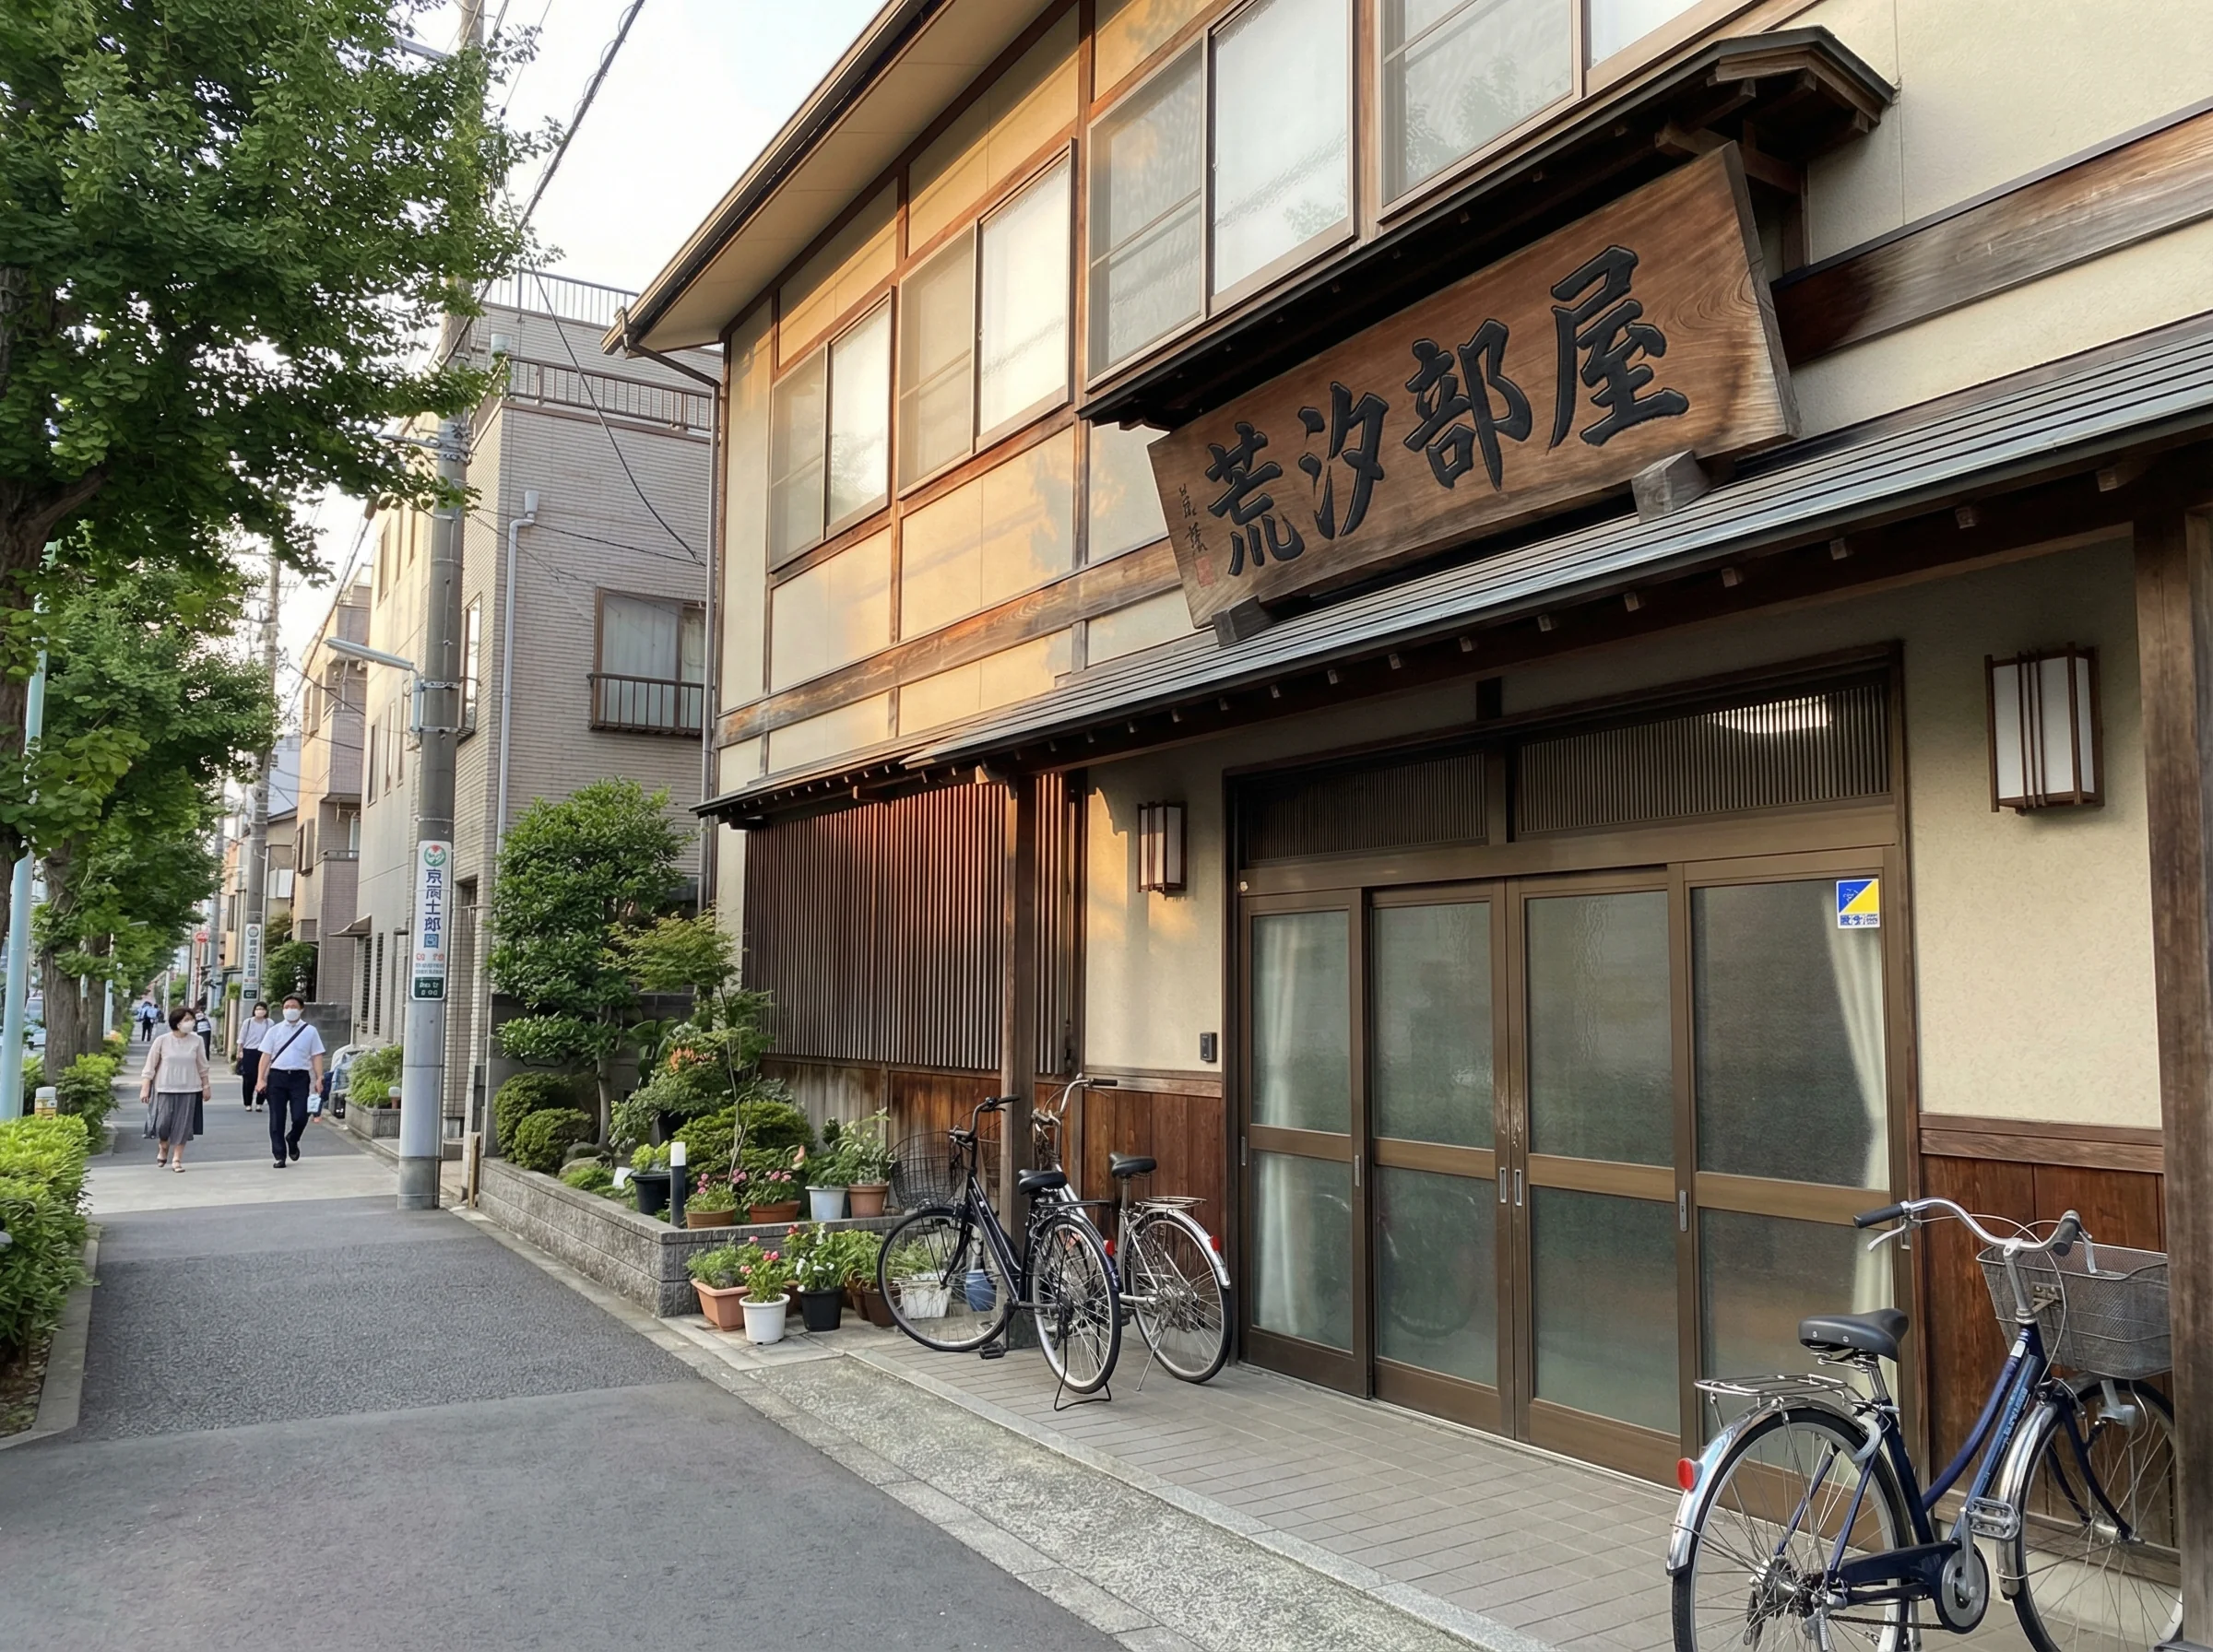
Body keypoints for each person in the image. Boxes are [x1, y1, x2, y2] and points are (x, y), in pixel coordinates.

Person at [254, 996, 325, 1168]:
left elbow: (316, 1056)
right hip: (277, 1077)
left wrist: (319, 1078)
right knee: (277, 1118)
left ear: (301, 1009)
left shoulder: (310, 1031)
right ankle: (279, 1155)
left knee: (301, 1115)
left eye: (293, 1006)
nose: (290, 1009)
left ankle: (293, 1138)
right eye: (286, 1006)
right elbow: (265, 1056)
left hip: (300, 1077)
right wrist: (260, 1079)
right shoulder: (274, 1031)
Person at [138, 1005, 210, 1172]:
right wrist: (145, 1087)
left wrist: (206, 1086)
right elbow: (150, 1066)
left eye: (191, 1020)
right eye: (186, 1020)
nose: (190, 1023)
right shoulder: (162, 1040)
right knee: (163, 1124)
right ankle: (163, 1146)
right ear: (177, 1023)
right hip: (165, 1087)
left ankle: (177, 1159)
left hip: (190, 1088)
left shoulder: (197, 1040)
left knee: (183, 1125)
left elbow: (202, 1066)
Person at [238, 1000, 271, 1111]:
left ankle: (259, 1103)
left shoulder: (269, 1023)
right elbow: (241, 1038)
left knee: (263, 1077)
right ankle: (248, 1103)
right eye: (258, 1009)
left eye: (262, 1009)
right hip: (249, 1051)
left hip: (264, 1052)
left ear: (266, 1011)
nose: (260, 1011)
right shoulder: (248, 1022)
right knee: (248, 1078)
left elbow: (273, 1039)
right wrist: (240, 1051)